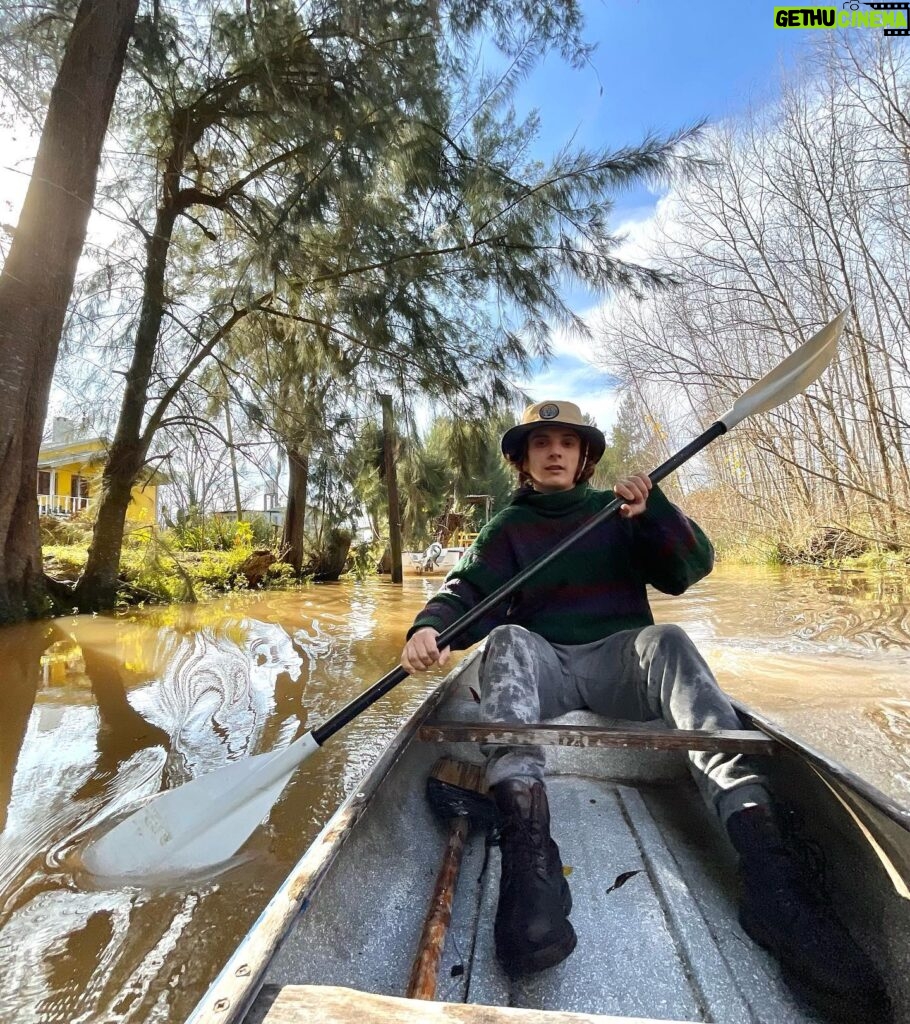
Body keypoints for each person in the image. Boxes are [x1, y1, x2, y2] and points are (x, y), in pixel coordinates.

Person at [400, 400, 888, 1017]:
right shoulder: (506, 528)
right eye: (541, 443)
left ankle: (770, 868)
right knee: (506, 640)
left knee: (672, 639)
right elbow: (467, 590)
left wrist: (653, 510)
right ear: (523, 460)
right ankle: (529, 854)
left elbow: (691, 568)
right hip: (544, 664)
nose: (555, 451)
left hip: (616, 664)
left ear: (584, 459)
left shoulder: (619, 510)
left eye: (568, 443)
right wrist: (429, 627)